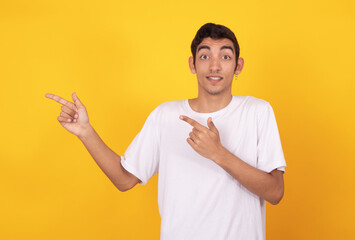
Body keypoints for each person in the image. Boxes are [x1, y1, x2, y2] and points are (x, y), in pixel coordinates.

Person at [46, 23, 286, 240]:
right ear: (192, 64)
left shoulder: (257, 111)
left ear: (238, 65)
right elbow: (125, 179)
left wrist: (218, 153)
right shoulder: (165, 115)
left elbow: (275, 192)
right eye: (205, 56)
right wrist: (85, 132)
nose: (214, 65)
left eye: (225, 56)